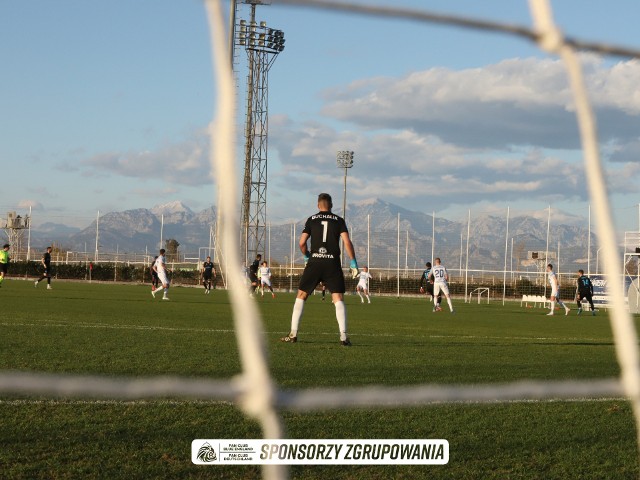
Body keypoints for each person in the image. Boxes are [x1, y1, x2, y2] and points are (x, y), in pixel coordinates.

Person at [281, 193, 358, 346]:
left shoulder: (311, 219)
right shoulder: (339, 220)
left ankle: (293, 334)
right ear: (331, 205)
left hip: (315, 261)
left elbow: (302, 242)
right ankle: (344, 337)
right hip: (332, 263)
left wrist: (306, 255)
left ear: (318, 205)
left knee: (301, 295)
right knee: (338, 298)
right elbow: (347, 242)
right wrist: (353, 261)